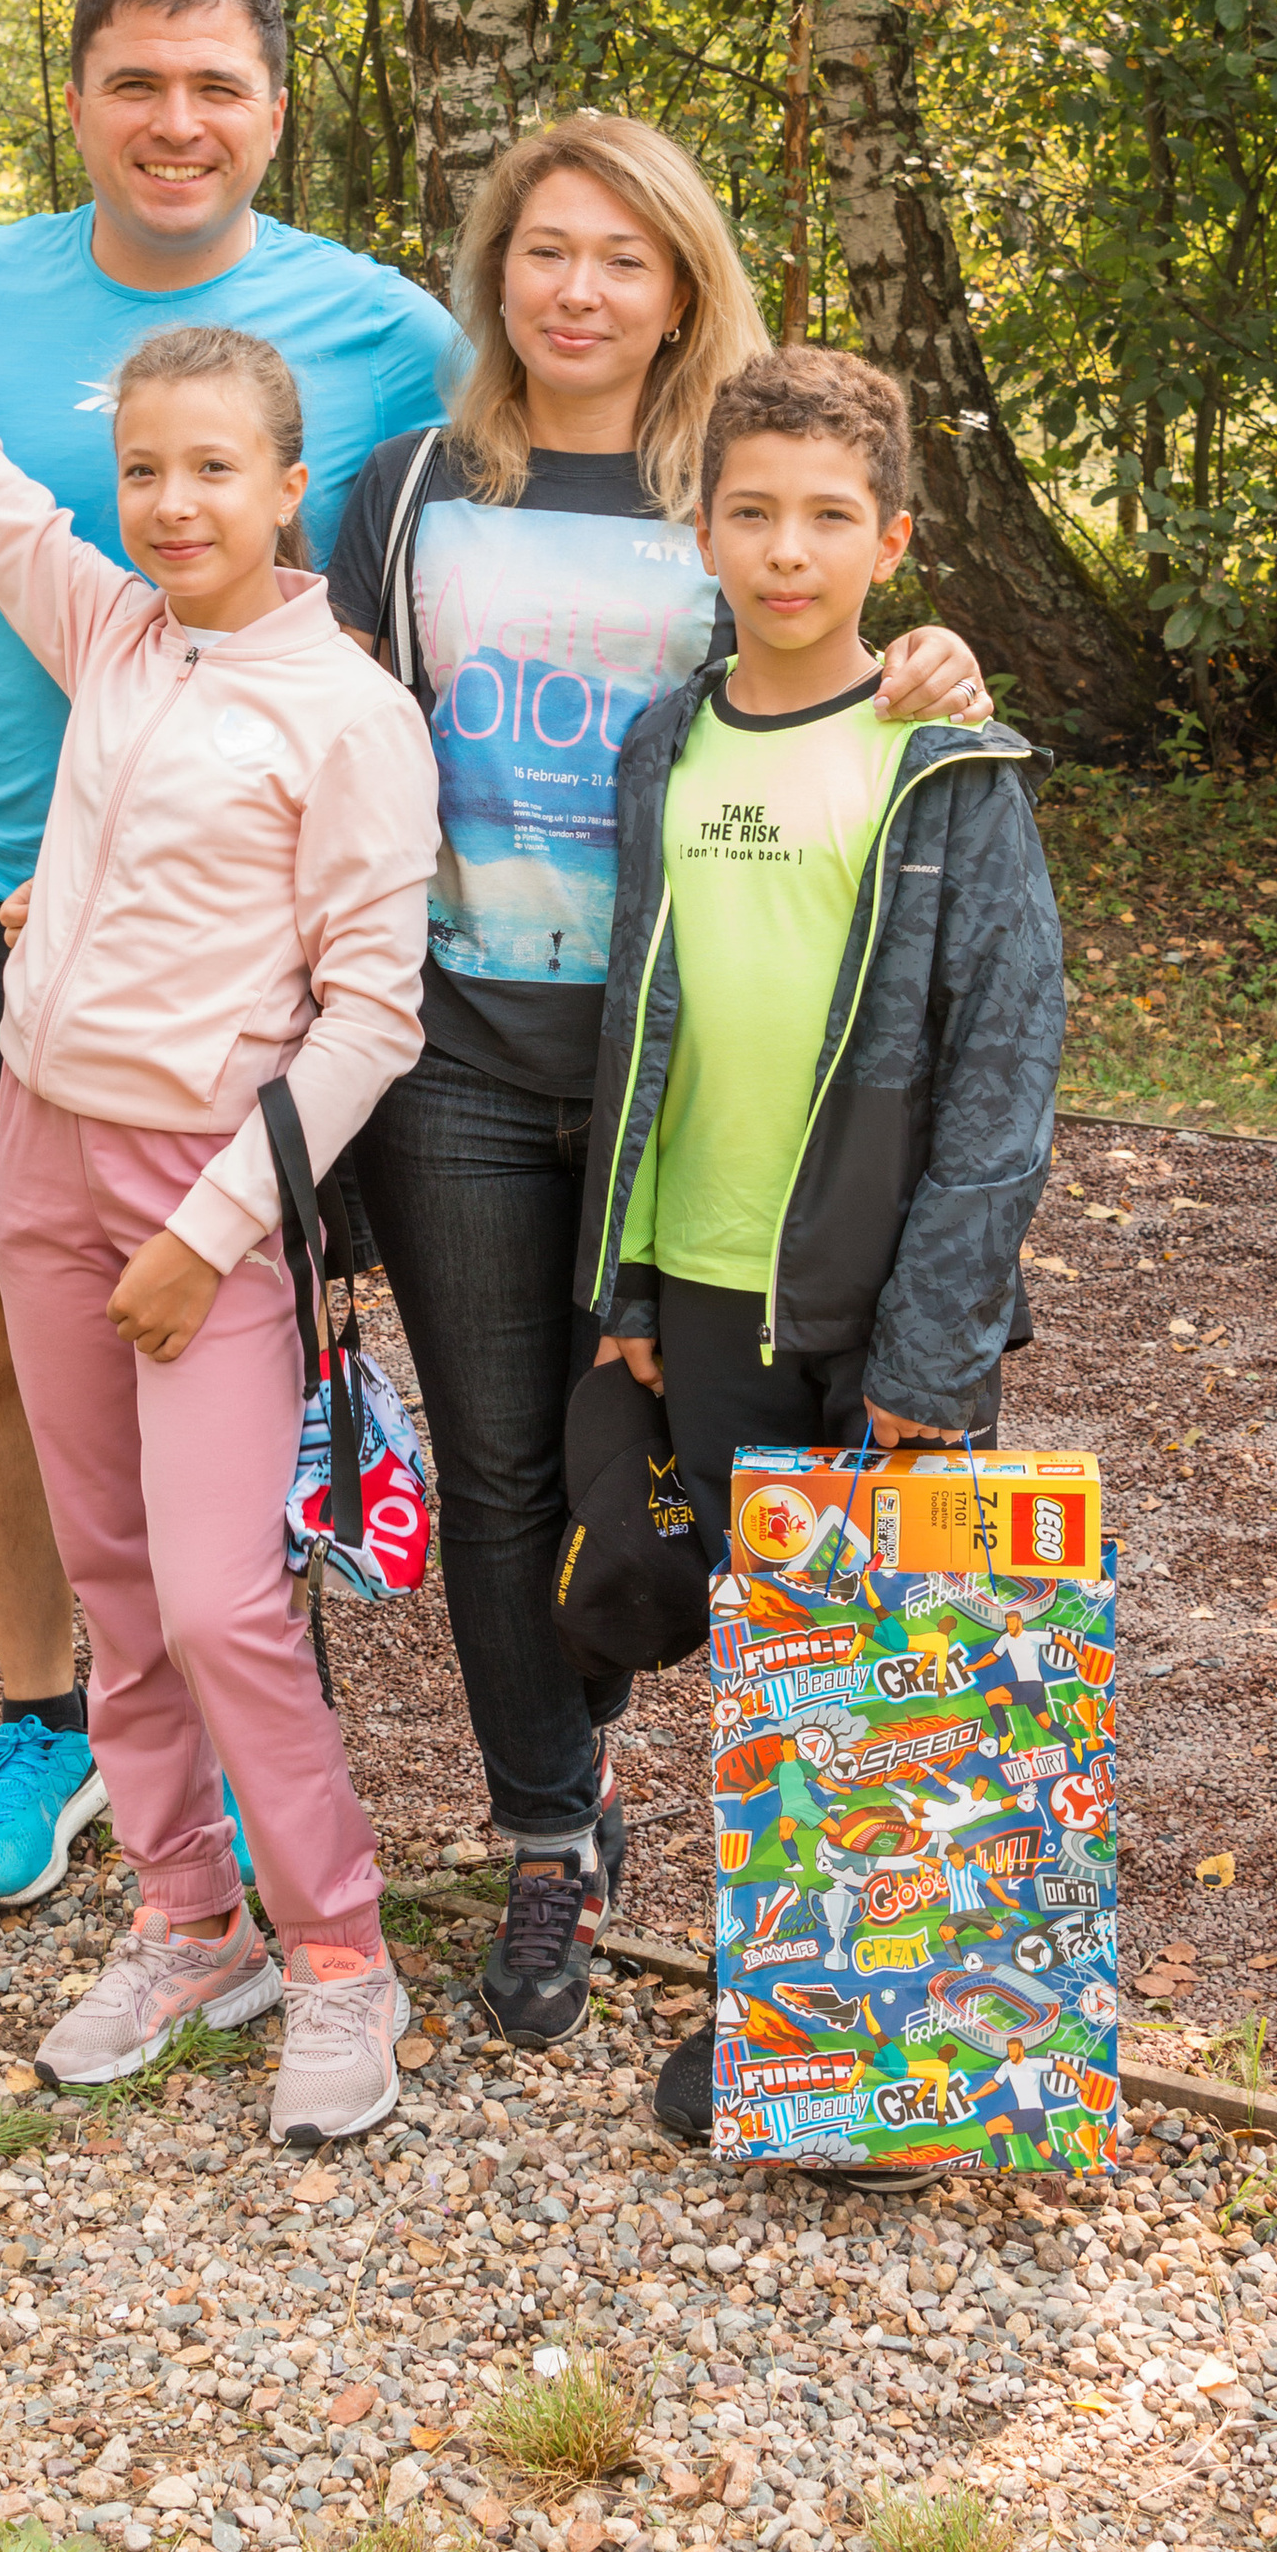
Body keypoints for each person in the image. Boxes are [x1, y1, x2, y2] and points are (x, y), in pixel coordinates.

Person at [0, 0, 456, 1915]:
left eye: (215, 84)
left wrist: (844, 646)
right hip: (5, 913)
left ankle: (244, 1762)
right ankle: (51, 1726)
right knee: (5, 1345)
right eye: (136, 81)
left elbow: (556, 503)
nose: (176, 120)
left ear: (275, 108)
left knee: (234, 1352)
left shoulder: (384, 332)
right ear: (74, 97)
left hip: (248, 953)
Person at [325, 119, 992, 2046]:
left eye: (625, 255)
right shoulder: (412, 489)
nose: (580, 289)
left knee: (684, 1469)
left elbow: (831, 685)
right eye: (546, 250)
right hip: (455, 1051)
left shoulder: (738, 488)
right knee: (500, 1468)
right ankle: (552, 1832)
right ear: (496, 274)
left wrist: (936, 665)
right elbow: (317, 733)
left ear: (685, 284)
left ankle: (843, 1950)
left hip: (684, 1084)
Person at [571, 343, 1064, 2149]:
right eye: (754, 513)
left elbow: (1007, 1068)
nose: (790, 551)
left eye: (831, 518)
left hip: (886, 1308)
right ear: (701, 530)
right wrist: (630, 1279)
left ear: (893, 541)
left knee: (903, 1669)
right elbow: (641, 1025)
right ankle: (781, 2021)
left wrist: (939, 1346)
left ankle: (909, 2072)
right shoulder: (663, 746)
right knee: (770, 1655)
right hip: (706, 1289)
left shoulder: (946, 763)